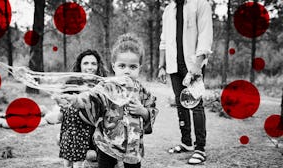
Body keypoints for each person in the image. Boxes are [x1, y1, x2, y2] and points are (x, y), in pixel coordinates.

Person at [55, 33, 158, 168]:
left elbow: (152, 109)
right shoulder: (107, 86)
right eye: (122, 66)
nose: (127, 71)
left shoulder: (142, 91)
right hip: (107, 142)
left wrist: (143, 111)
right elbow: (91, 99)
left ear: (140, 67)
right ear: (114, 66)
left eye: (132, 67)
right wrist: (76, 100)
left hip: (132, 144)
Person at [158, 0, 213, 165]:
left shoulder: (201, 4)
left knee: (196, 104)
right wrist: (161, 66)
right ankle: (186, 142)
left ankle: (200, 148)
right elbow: (164, 41)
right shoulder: (169, 9)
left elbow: (205, 36)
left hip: (193, 64)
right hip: (174, 65)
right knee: (180, 103)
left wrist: (197, 66)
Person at [58, 49, 108, 168]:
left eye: (93, 63)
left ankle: (96, 160)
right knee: (63, 142)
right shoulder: (71, 84)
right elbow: (61, 115)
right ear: (79, 66)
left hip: (94, 134)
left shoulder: (103, 86)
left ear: (98, 66)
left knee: (89, 156)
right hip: (73, 133)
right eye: (86, 63)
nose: (90, 67)